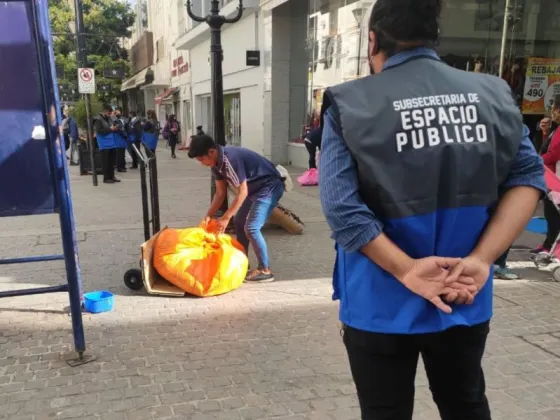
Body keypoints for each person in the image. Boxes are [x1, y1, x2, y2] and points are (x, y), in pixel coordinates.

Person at [319, 1, 545, 419]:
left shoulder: (350, 105)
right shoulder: (492, 93)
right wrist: (482, 260)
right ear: (433, 38)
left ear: (373, 41)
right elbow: (530, 179)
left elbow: (343, 210)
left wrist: (406, 269)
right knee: (466, 404)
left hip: (379, 300)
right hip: (465, 292)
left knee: (384, 410)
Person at [188, 135, 285, 283]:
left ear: (211, 152)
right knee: (239, 221)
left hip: (269, 186)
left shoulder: (229, 159)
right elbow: (220, 193)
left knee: (251, 227)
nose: (202, 163)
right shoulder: (216, 165)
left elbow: (243, 192)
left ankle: (265, 270)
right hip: (254, 188)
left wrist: (226, 218)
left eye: (202, 159)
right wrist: (208, 216)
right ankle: (242, 262)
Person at [531, 95, 560, 256]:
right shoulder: (556, 128)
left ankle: (552, 246)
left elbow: (554, 154)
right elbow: (547, 149)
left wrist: (535, 160)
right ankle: (549, 244)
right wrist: (545, 132)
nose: (552, 111)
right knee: (550, 212)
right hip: (551, 177)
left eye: (554, 107)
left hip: (556, 177)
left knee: (554, 214)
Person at [93, 104, 120, 184]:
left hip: (112, 142)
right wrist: (110, 129)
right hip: (104, 144)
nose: (109, 115)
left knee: (112, 161)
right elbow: (99, 131)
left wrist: (114, 127)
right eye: (108, 113)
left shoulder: (109, 118)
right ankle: (106, 178)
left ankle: (112, 176)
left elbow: (112, 125)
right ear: (105, 111)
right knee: (106, 162)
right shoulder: (98, 119)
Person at [113, 107, 128, 172]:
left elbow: (126, 127)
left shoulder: (124, 119)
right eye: (116, 111)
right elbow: (118, 129)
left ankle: (123, 165)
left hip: (122, 138)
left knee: (122, 152)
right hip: (118, 137)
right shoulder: (114, 120)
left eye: (118, 111)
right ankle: (120, 167)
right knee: (119, 153)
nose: (117, 113)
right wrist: (124, 135)